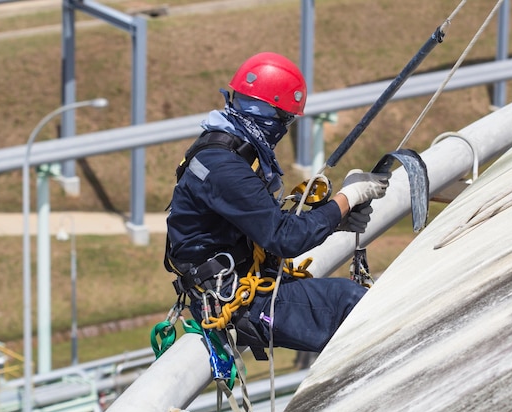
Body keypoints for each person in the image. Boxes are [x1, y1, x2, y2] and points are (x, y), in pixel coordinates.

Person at [164, 52, 389, 356]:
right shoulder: (224, 168)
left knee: (345, 300)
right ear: (270, 116)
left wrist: (335, 220)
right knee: (348, 302)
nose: (285, 129)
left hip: (239, 283)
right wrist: (347, 200)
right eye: (286, 119)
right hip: (235, 300)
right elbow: (285, 237)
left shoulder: (223, 151)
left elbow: (264, 224)